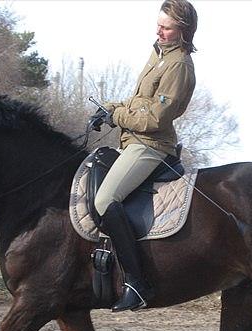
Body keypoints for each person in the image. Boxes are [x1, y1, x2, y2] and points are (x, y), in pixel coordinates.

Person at [89, 0, 198, 312]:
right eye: (158, 24)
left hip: (151, 145)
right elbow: (138, 100)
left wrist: (117, 117)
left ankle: (137, 283)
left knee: (104, 200)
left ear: (183, 30)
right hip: (132, 140)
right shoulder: (159, 53)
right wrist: (109, 108)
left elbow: (154, 120)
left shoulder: (179, 65)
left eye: (166, 27)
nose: (159, 31)